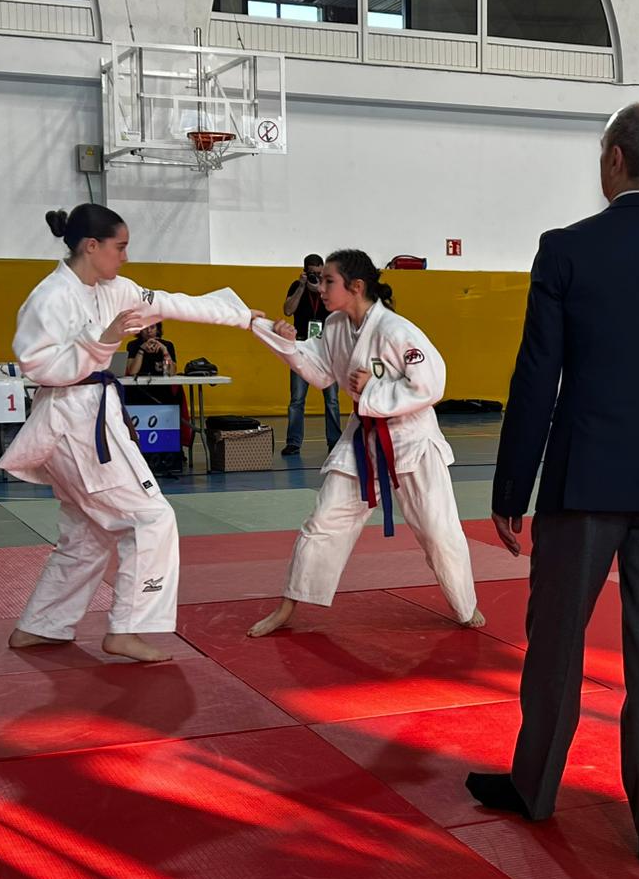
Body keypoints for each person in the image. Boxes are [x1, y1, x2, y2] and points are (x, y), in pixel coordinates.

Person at [471, 102, 639, 866]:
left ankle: (536, 787)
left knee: (555, 641)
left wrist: (509, 490)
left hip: (584, 480)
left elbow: (537, 380)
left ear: (617, 159)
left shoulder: (566, 251)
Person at [1, 204, 262, 664]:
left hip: (90, 418)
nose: (125, 256)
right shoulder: (50, 297)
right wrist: (103, 341)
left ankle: (41, 625)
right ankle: (129, 628)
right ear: (91, 246)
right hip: (72, 423)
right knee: (151, 519)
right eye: (119, 247)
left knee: (88, 531)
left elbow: (172, 302)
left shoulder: (116, 289)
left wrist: (242, 316)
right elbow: (38, 366)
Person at [245, 250, 484, 636]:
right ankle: (287, 607)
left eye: (328, 281)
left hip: (412, 439)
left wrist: (374, 390)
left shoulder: (397, 331)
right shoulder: (335, 325)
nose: (320, 288)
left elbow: (431, 385)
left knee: (439, 533)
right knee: (322, 523)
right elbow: (321, 372)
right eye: (320, 281)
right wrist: (285, 341)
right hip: (363, 438)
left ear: (355, 287)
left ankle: (465, 605)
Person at [282, 254, 343, 457]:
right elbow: (288, 310)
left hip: (326, 349)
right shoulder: (296, 285)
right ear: (305, 271)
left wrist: (323, 291)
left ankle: (334, 441)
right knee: (297, 399)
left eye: (319, 273)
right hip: (301, 348)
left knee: (332, 399)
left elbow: (340, 312)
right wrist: (301, 286)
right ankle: (293, 442)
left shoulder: (329, 287)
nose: (316, 277)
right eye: (312, 274)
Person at [124, 322, 187, 479]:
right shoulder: (133, 345)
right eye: (145, 328)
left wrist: (165, 352)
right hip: (139, 392)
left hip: (161, 393)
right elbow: (132, 372)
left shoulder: (168, 345)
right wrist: (141, 351)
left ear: (158, 329)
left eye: (152, 327)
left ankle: (171, 454)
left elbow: (172, 373)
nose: (149, 331)